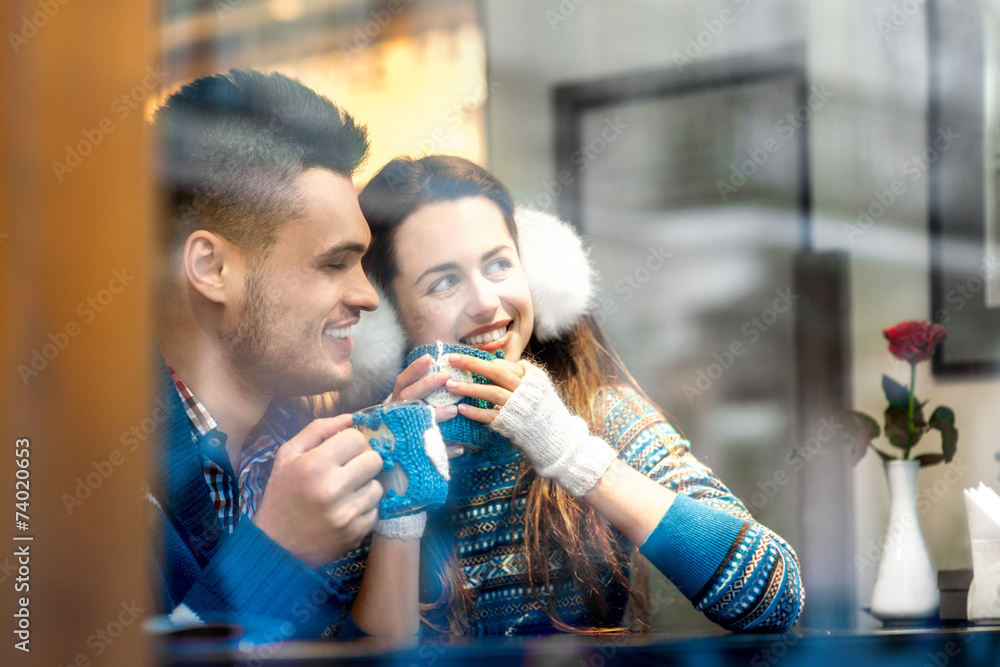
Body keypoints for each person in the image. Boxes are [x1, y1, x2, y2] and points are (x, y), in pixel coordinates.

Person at [332, 155, 805, 636]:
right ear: (382, 323)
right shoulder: (362, 451)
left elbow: (773, 596)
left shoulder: (601, 416)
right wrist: (401, 508)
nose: (486, 303)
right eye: (445, 281)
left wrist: (571, 451)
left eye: (498, 264)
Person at [149, 69, 387, 637]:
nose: (368, 296)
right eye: (334, 263)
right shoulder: (66, 469)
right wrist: (277, 551)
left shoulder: (306, 455)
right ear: (213, 269)